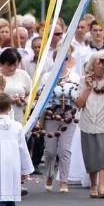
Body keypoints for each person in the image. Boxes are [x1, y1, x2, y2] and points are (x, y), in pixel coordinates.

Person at [40, 53, 80, 194]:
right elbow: (41, 95)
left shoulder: (74, 76)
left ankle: (64, 181)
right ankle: (50, 174)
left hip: (69, 115)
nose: (61, 62)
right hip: (52, 115)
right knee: (50, 151)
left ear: (66, 60)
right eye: (58, 59)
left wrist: (68, 93)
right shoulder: (47, 76)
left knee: (64, 149)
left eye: (64, 59)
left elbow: (78, 96)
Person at [77, 53, 104, 199]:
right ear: (92, 64)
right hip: (87, 120)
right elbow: (79, 104)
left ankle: (102, 185)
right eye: (98, 63)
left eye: (103, 63)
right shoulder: (84, 80)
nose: (100, 66)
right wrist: (87, 87)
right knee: (90, 154)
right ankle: (93, 184)